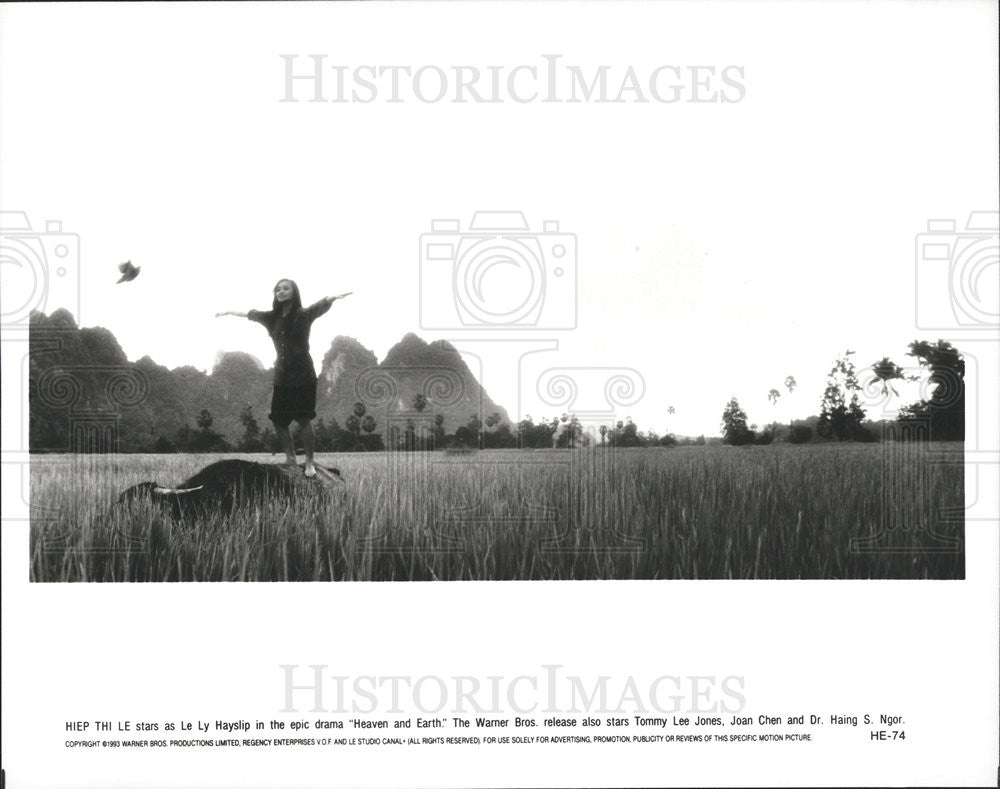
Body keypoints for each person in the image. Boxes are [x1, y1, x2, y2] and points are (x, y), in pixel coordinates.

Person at [217, 279, 351, 477]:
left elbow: (319, 307)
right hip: (282, 376)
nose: (281, 292)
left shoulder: (302, 315)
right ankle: (290, 458)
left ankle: (310, 461)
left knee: (304, 419)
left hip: (303, 374)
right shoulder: (272, 317)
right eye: (278, 289)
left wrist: (332, 298)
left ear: (294, 292)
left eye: (285, 288)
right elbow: (249, 314)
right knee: (279, 421)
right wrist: (229, 311)